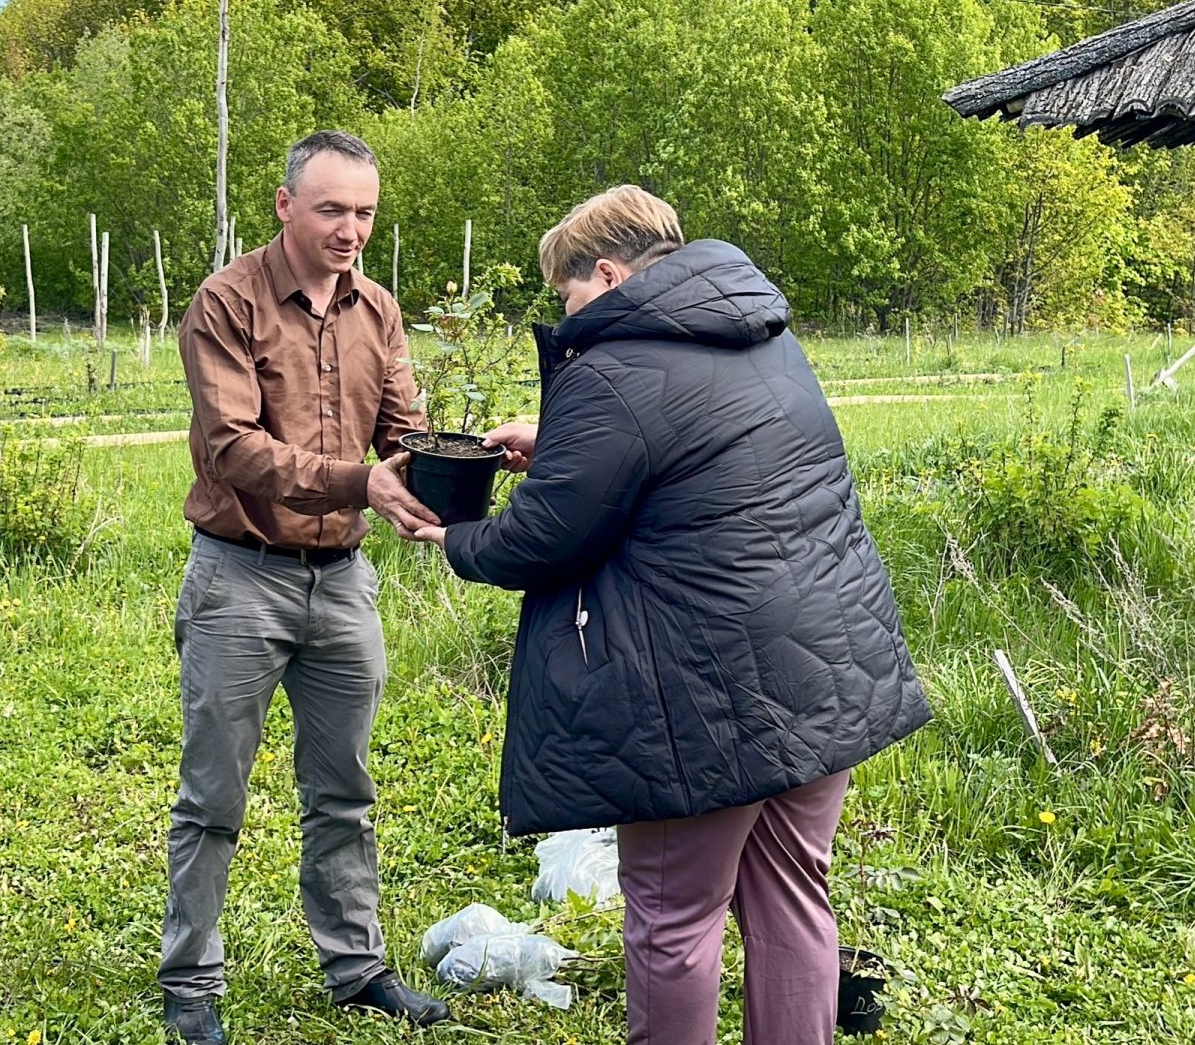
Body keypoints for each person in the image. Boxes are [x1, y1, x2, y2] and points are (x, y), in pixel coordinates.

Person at [409, 184, 933, 1044]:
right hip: (826, 667)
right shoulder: (764, 335)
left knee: (672, 916)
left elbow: (543, 536)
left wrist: (456, 535)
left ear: (608, 274)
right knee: (793, 894)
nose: (566, 314)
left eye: (567, 294)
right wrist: (562, 439)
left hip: (704, 698)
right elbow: (682, 446)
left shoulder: (612, 369)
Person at [160, 130, 451, 1043]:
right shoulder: (227, 301)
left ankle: (356, 966)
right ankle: (191, 981)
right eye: (331, 209)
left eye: (364, 212)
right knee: (213, 795)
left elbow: (404, 430)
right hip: (240, 577)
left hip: (343, 582)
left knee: (345, 790)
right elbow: (233, 449)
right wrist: (363, 482)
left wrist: (457, 468)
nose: (350, 229)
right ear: (285, 205)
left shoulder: (379, 309)